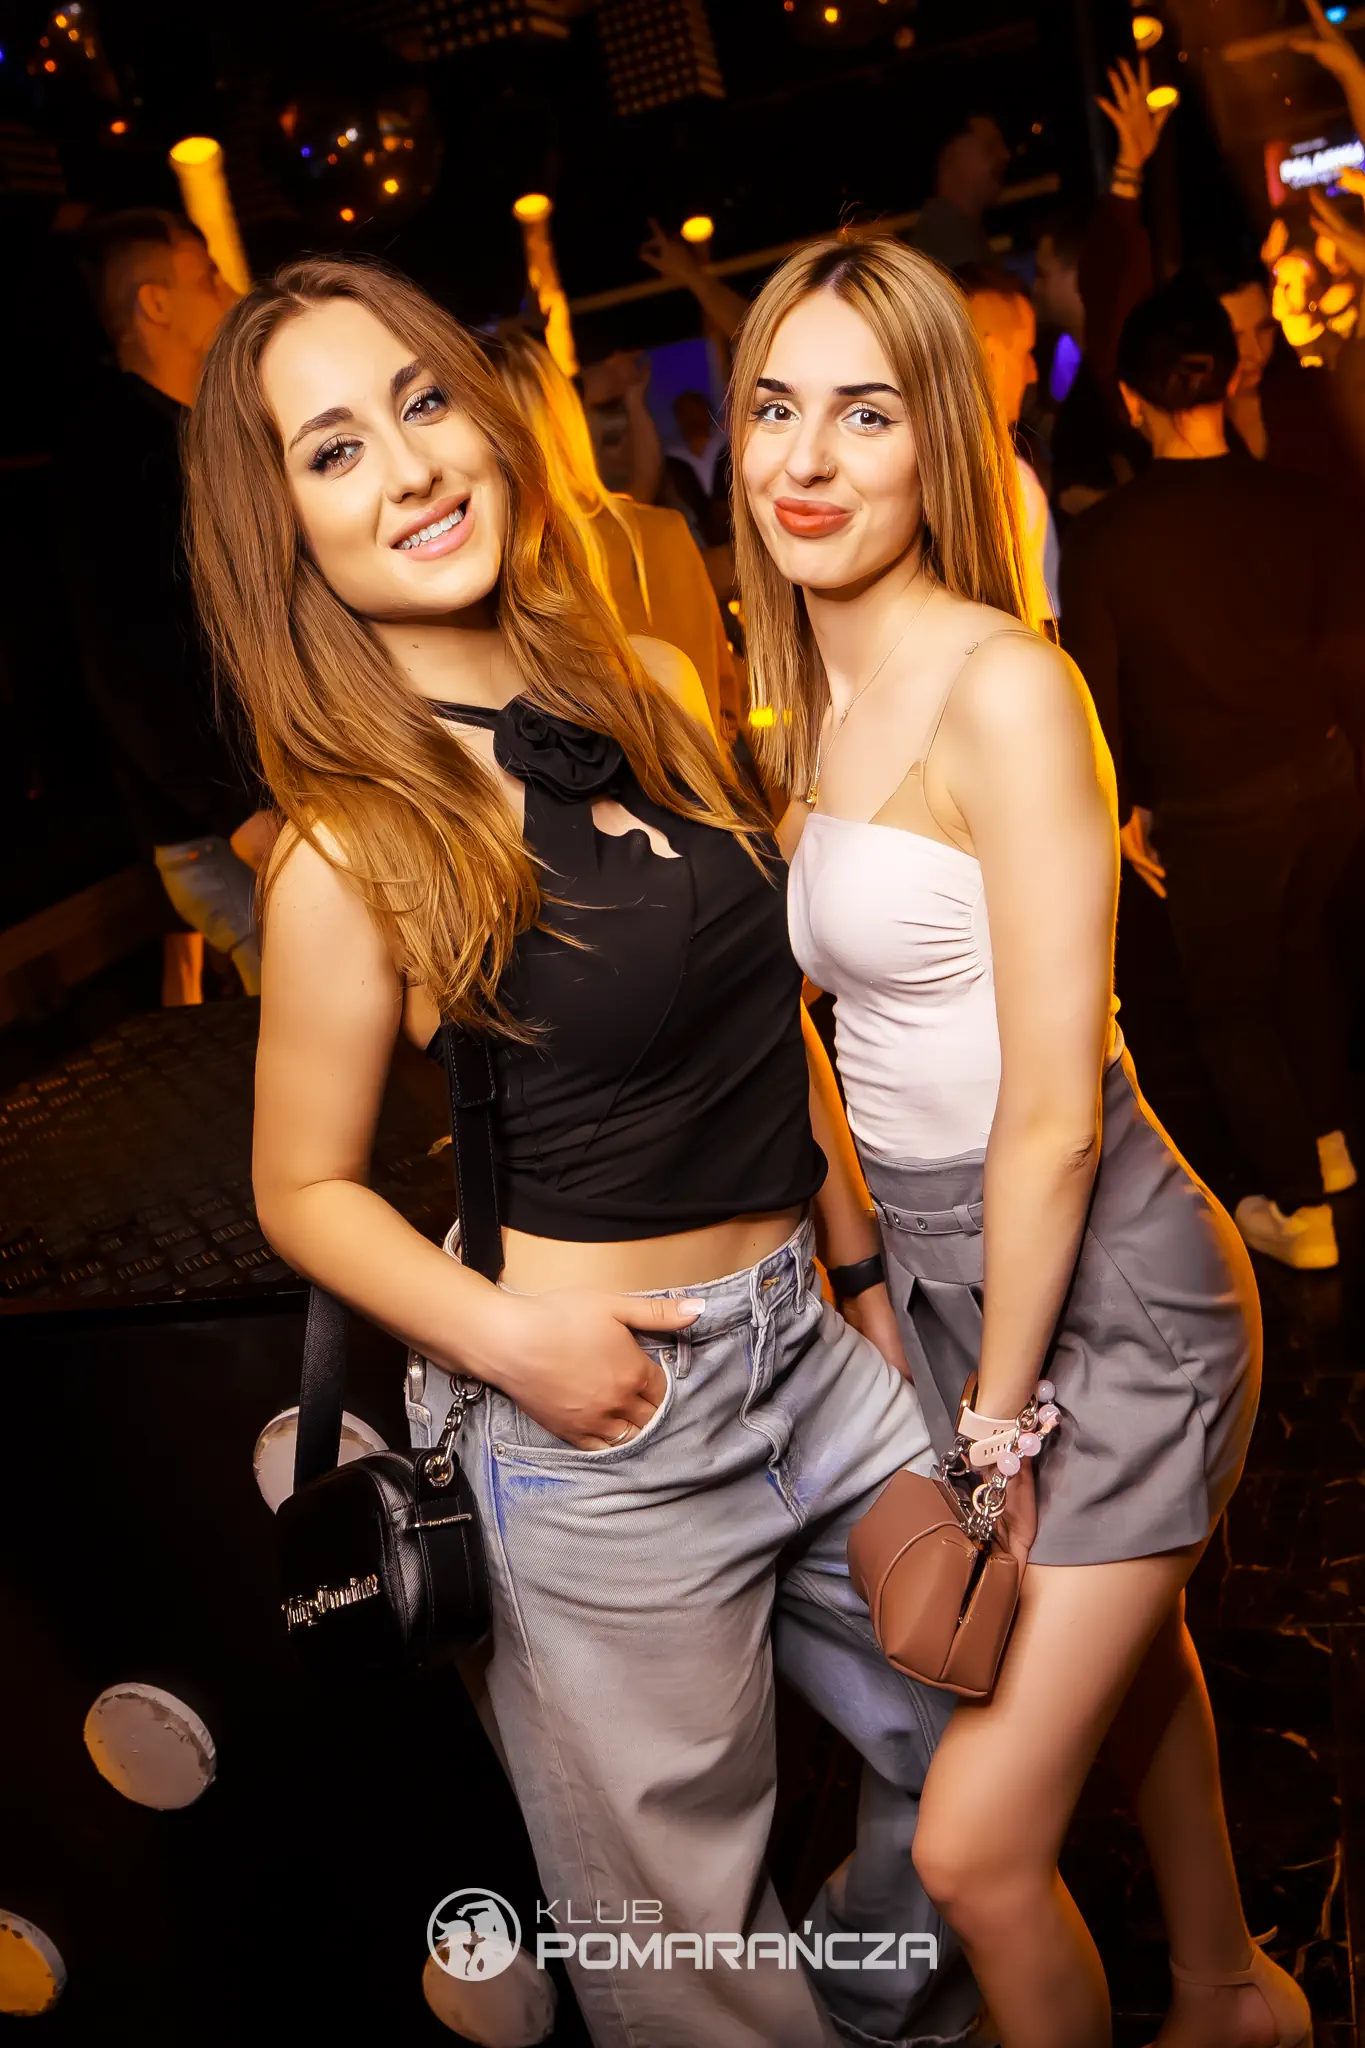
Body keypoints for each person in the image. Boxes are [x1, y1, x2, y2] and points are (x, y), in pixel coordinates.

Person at [183, 253, 983, 2048]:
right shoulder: (351, 839)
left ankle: (873, 2006)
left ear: (485, 418)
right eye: (333, 450)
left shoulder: (648, 679)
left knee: (989, 1749)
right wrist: (516, 1345)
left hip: (811, 1348)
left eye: (422, 403)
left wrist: (856, 1271)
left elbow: (768, 1017)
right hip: (597, 1429)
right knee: (689, 1956)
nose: (409, 468)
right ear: (282, 530)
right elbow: (297, 1187)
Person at [734, 233, 1307, 2048]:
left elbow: (1053, 1115)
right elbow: (835, 1031)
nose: (806, 458)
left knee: (975, 1848)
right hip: (952, 1282)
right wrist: (878, 1283)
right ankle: (1229, 1992)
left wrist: (990, 1436)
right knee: (1129, 1664)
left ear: (942, 438)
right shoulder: (808, 696)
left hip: (1108, 1292)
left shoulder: (1005, 686)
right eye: (773, 407)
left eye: (864, 413)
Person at [1060, 278, 1364, 1270]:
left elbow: (1097, 692)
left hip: (1214, 810)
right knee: (1299, 957)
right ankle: (1328, 1143)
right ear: (1229, 378)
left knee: (1229, 1004)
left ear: (1130, 395)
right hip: (1324, 785)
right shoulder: (1302, 501)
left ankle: (1299, 1209)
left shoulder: (1106, 536)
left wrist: (1118, 811)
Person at [63, 209, 273, 1000]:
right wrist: (241, 812)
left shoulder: (186, 434)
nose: (230, 292)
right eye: (207, 276)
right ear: (155, 304)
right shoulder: (113, 452)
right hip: (227, 831)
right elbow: (130, 663)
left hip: (258, 811)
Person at [488, 333, 741, 738]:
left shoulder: (517, 570)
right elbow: (724, 700)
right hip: (709, 768)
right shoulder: (662, 530)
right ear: (568, 417)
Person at [1039, 59, 1168, 518]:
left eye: (1043, 274)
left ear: (1080, 274)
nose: (1034, 289)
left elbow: (1116, 266)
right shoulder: (1087, 373)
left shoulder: (1122, 355)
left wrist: (1129, 168)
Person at [959, 261, 1059, 631]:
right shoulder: (1010, 485)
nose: (1033, 372)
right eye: (1026, 351)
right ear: (991, 357)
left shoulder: (885, 466)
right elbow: (1032, 634)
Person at [908, 110, 1010, 274]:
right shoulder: (947, 242)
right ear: (952, 156)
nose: (1005, 155)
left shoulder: (957, 232)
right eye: (990, 147)